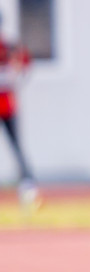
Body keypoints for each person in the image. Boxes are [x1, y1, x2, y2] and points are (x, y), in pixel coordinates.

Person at [0, 14, 36, 203]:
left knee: (16, 146)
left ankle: (27, 184)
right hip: (6, 104)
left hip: (7, 106)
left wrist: (14, 76)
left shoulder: (10, 47)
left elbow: (24, 68)